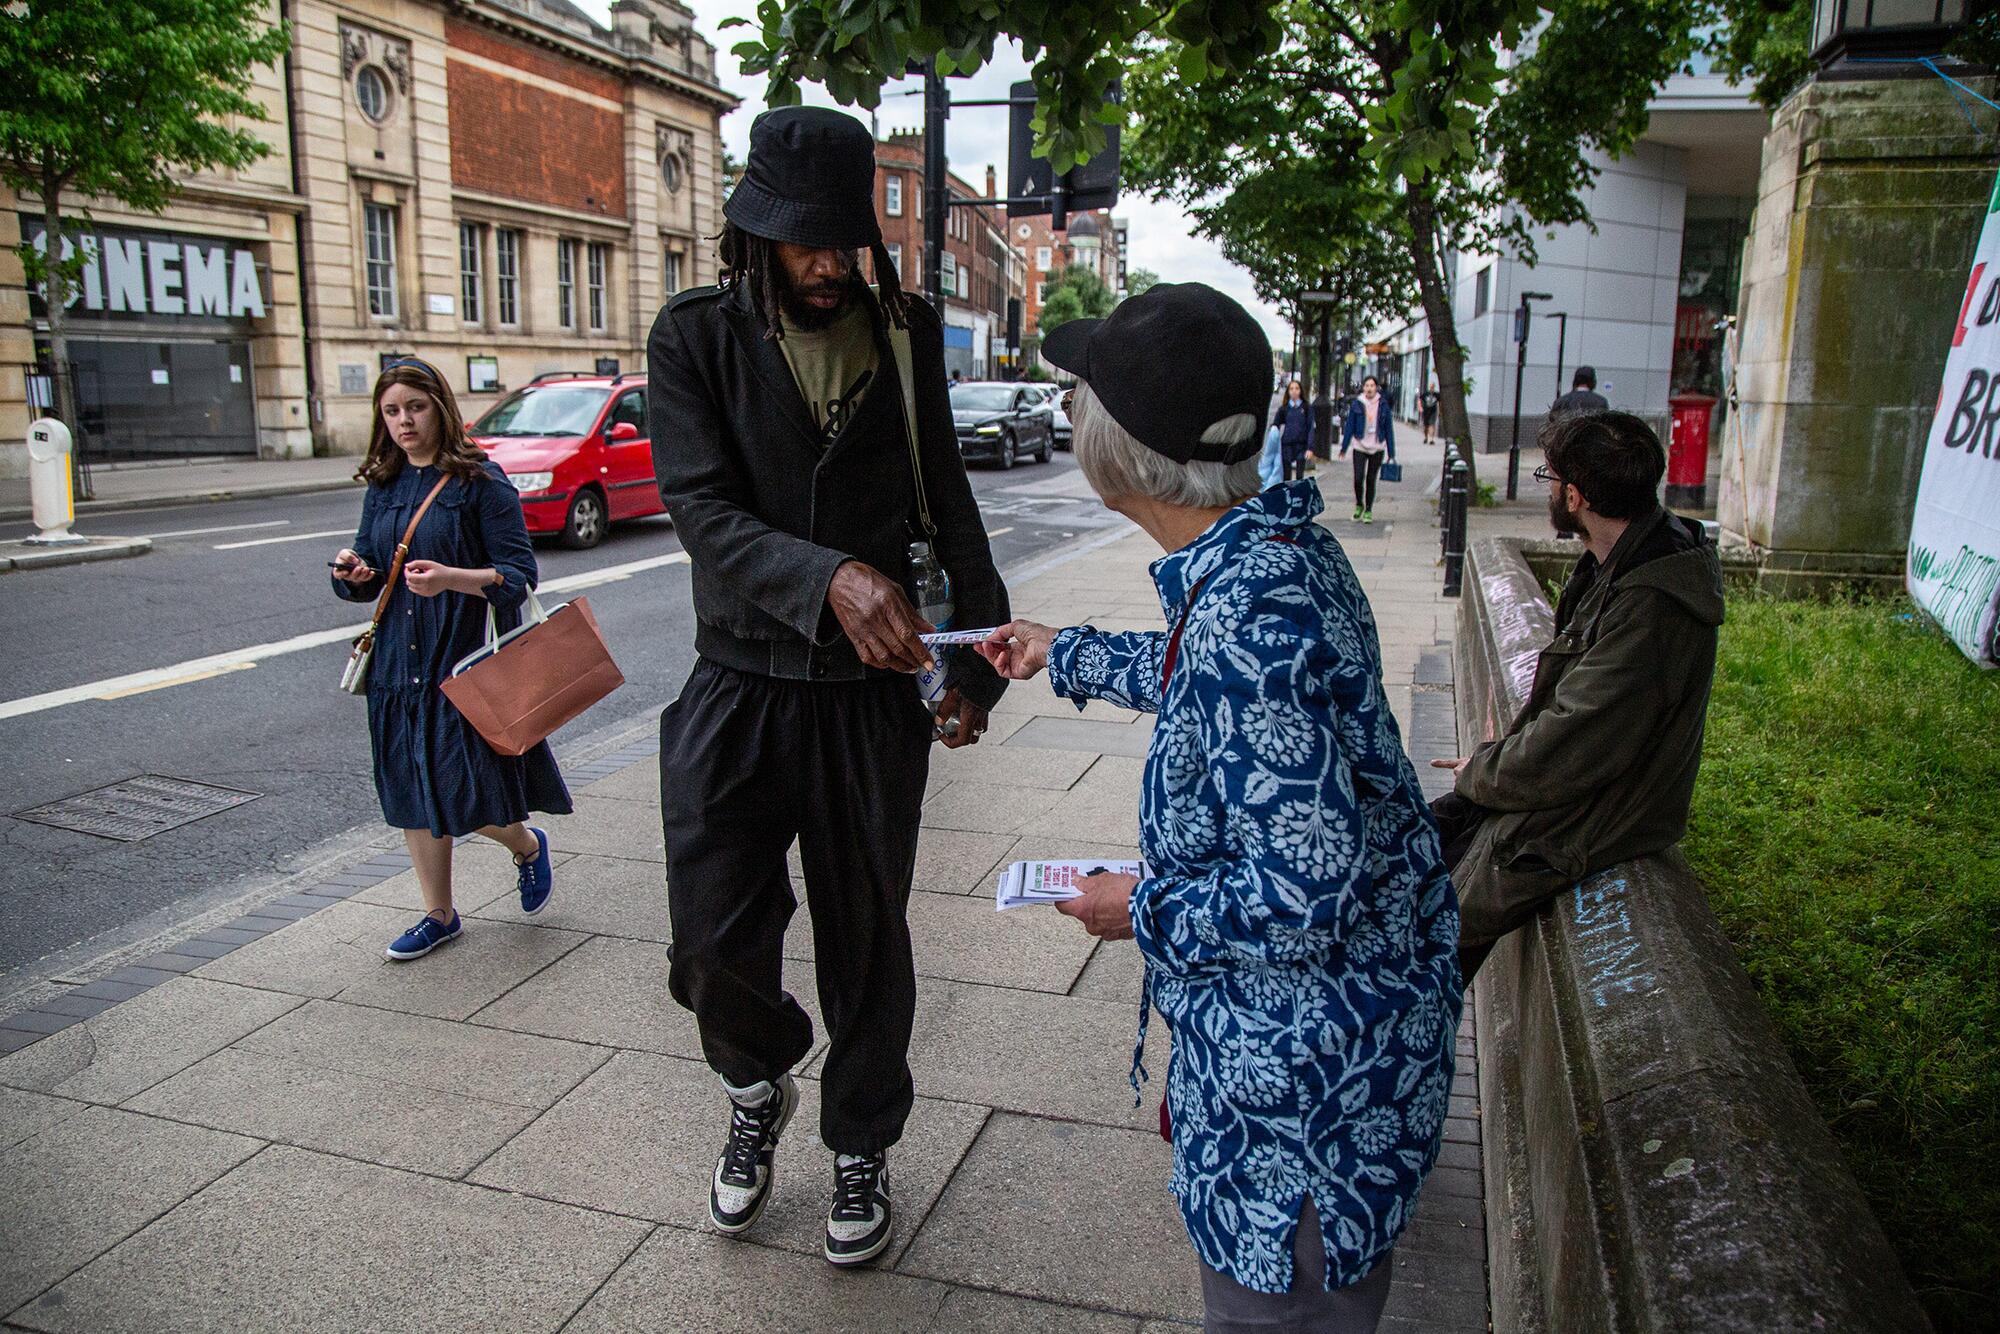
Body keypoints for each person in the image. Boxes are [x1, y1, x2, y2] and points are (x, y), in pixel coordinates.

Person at [976, 283, 1461, 1334]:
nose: (1068, 418)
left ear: (1119, 447)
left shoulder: (1249, 610)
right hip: (1341, 1052)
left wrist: (1132, 907)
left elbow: (1295, 893)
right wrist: (1066, 652)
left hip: (1302, 1107)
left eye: (1077, 400)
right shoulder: (1271, 549)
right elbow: (1215, 679)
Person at [646, 106, 1009, 1267]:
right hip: (737, 683)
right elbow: (700, 511)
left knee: (868, 935)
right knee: (708, 942)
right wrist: (831, 578)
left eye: (840, 241)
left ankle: (861, 1134)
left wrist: (973, 667)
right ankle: (758, 1079)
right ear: (753, 233)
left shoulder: (902, 330)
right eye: (802, 241)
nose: (824, 263)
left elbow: (947, 500)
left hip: (865, 703)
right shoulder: (694, 335)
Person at [1429, 410, 1723, 980]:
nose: (1548, 489)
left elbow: (1573, 741)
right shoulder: (1620, 562)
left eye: (1549, 477)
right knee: (1407, 850)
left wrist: (1479, 773)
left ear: (1574, 494)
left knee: (1426, 940)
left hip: (1583, 820)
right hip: (1557, 798)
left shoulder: (1651, 605)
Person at [331, 359, 569, 961]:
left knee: (460, 788)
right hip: (395, 662)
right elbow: (374, 570)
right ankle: (438, 913)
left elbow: (519, 575)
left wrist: (449, 580)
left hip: (459, 660)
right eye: (391, 411)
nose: (404, 421)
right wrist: (354, 574)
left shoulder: (481, 483)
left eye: (415, 406)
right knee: (411, 785)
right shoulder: (383, 485)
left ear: (440, 406)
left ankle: (527, 845)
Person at [1339, 374, 1395, 524]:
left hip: (1377, 446)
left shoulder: (1383, 404)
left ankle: (1369, 509)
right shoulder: (1357, 404)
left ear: (1376, 388)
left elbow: (1389, 429)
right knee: (1358, 478)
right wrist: (1344, 448)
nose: (1369, 388)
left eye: (1372, 385)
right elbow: (1349, 426)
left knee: (1371, 479)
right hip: (1360, 445)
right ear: (1363, 388)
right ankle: (1359, 504)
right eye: (1367, 385)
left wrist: (1391, 453)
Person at [1418, 380, 1440, 445]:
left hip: (1433, 411)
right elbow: (1419, 400)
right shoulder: (1425, 394)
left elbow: (1439, 403)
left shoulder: (1437, 395)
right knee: (1426, 426)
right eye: (1431, 387)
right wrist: (1420, 408)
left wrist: (1439, 411)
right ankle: (1426, 437)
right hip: (1426, 411)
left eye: (1433, 387)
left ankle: (1431, 439)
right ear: (1429, 387)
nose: (1432, 388)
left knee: (1432, 424)